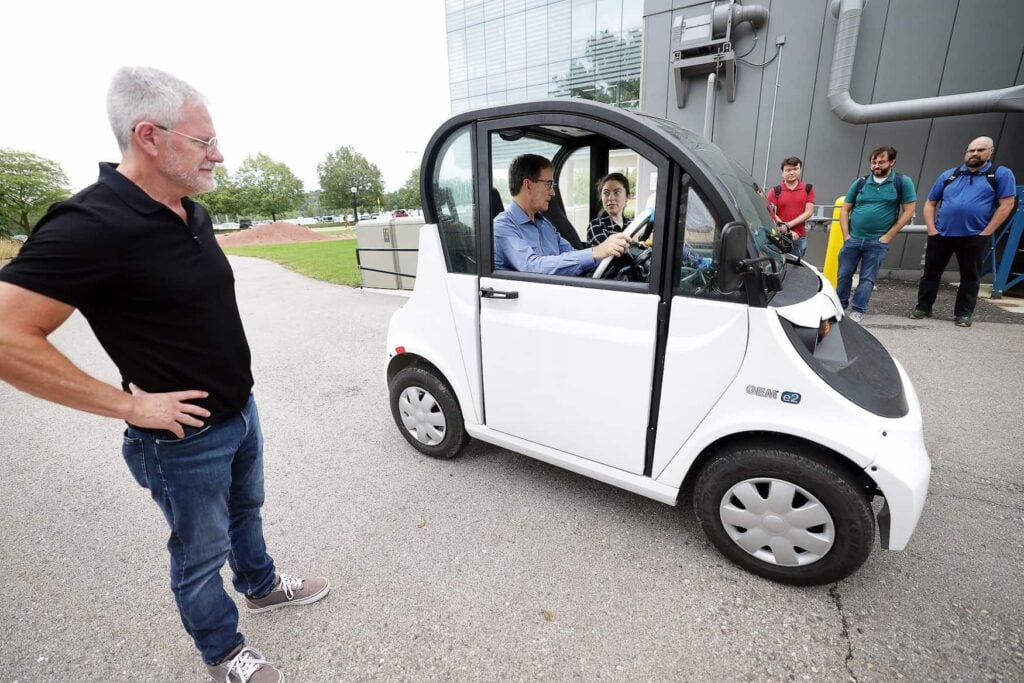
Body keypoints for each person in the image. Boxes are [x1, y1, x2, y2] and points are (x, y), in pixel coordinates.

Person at [0, 66, 327, 683]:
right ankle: (223, 651)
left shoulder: (190, 211)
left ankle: (259, 584)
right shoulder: (90, 224)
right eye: (205, 142)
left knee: (247, 510)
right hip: (180, 439)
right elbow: (6, 335)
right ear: (149, 136)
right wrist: (128, 407)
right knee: (199, 553)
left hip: (239, 410)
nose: (219, 154)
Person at [909, 136, 1017, 327]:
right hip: (942, 235)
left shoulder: (999, 174)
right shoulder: (950, 175)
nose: (975, 153)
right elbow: (930, 203)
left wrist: (986, 232)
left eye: (980, 150)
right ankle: (923, 307)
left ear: (990, 152)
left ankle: (963, 314)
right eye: (971, 150)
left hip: (974, 236)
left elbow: (1007, 204)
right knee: (930, 274)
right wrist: (932, 229)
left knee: (970, 276)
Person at [494, 154, 629, 274]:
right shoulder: (502, 226)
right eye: (549, 184)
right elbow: (532, 267)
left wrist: (608, 254)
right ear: (528, 185)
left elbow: (571, 254)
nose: (553, 193)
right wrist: (595, 252)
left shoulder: (545, 224)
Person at [837, 146, 916, 323]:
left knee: (867, 278)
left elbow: (909, 211)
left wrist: (888, 236)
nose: (876, 166)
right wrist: (846, 235)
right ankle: (839, 306)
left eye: (881, 162)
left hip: (877, 241)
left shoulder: (902, 182)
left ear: (892, 162)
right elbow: (845, 209)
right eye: (873, 162)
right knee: (844, 274)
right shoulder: (861, 182)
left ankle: (858, 310)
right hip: (853, 239)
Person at [765, 156, 815, 258]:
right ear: (782, 173)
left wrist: (788, 225)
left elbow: (809, 212)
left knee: (795, 269)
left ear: (800, 170)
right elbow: (771, 213)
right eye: (788, 170)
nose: (792, 172)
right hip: (778, 237)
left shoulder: (808, 189)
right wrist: (786, 230)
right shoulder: (775, 191)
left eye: (795, 169)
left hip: (799, 238)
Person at [587, 172, 631, 246]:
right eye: (606, 193)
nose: (610, 198)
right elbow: (609, 253)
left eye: (617, 192)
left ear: (627, 196)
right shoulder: (596, 226)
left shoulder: (631, 224)